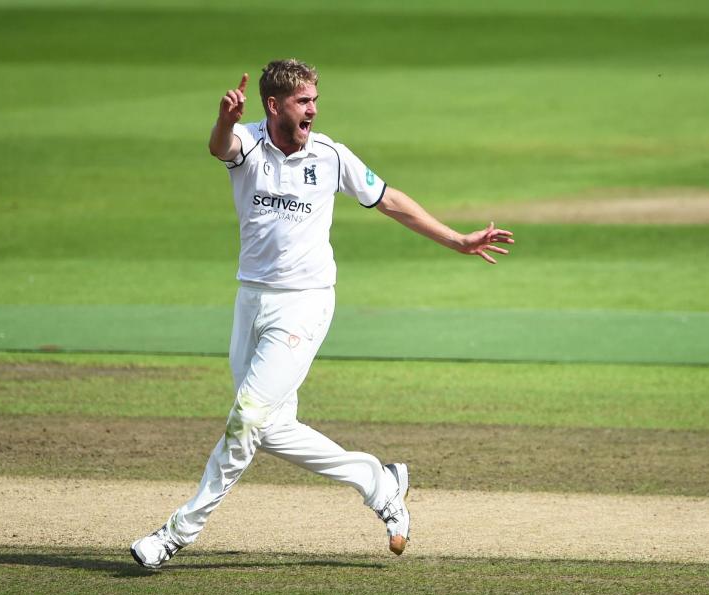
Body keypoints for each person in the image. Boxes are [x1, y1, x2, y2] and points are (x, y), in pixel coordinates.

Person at [131, 59, 513, 569]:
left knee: (245, 418)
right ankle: (378, 481)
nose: (313, 109)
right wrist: (224, 118)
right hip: (251, 300)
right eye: (302, 100)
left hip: (305, 303)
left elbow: (389, 198)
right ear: (274, 105)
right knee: (269, 428)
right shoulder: (248, 143)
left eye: (314, 99)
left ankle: (176, 534)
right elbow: (218, 147)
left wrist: (456, 239)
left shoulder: (330, 155)